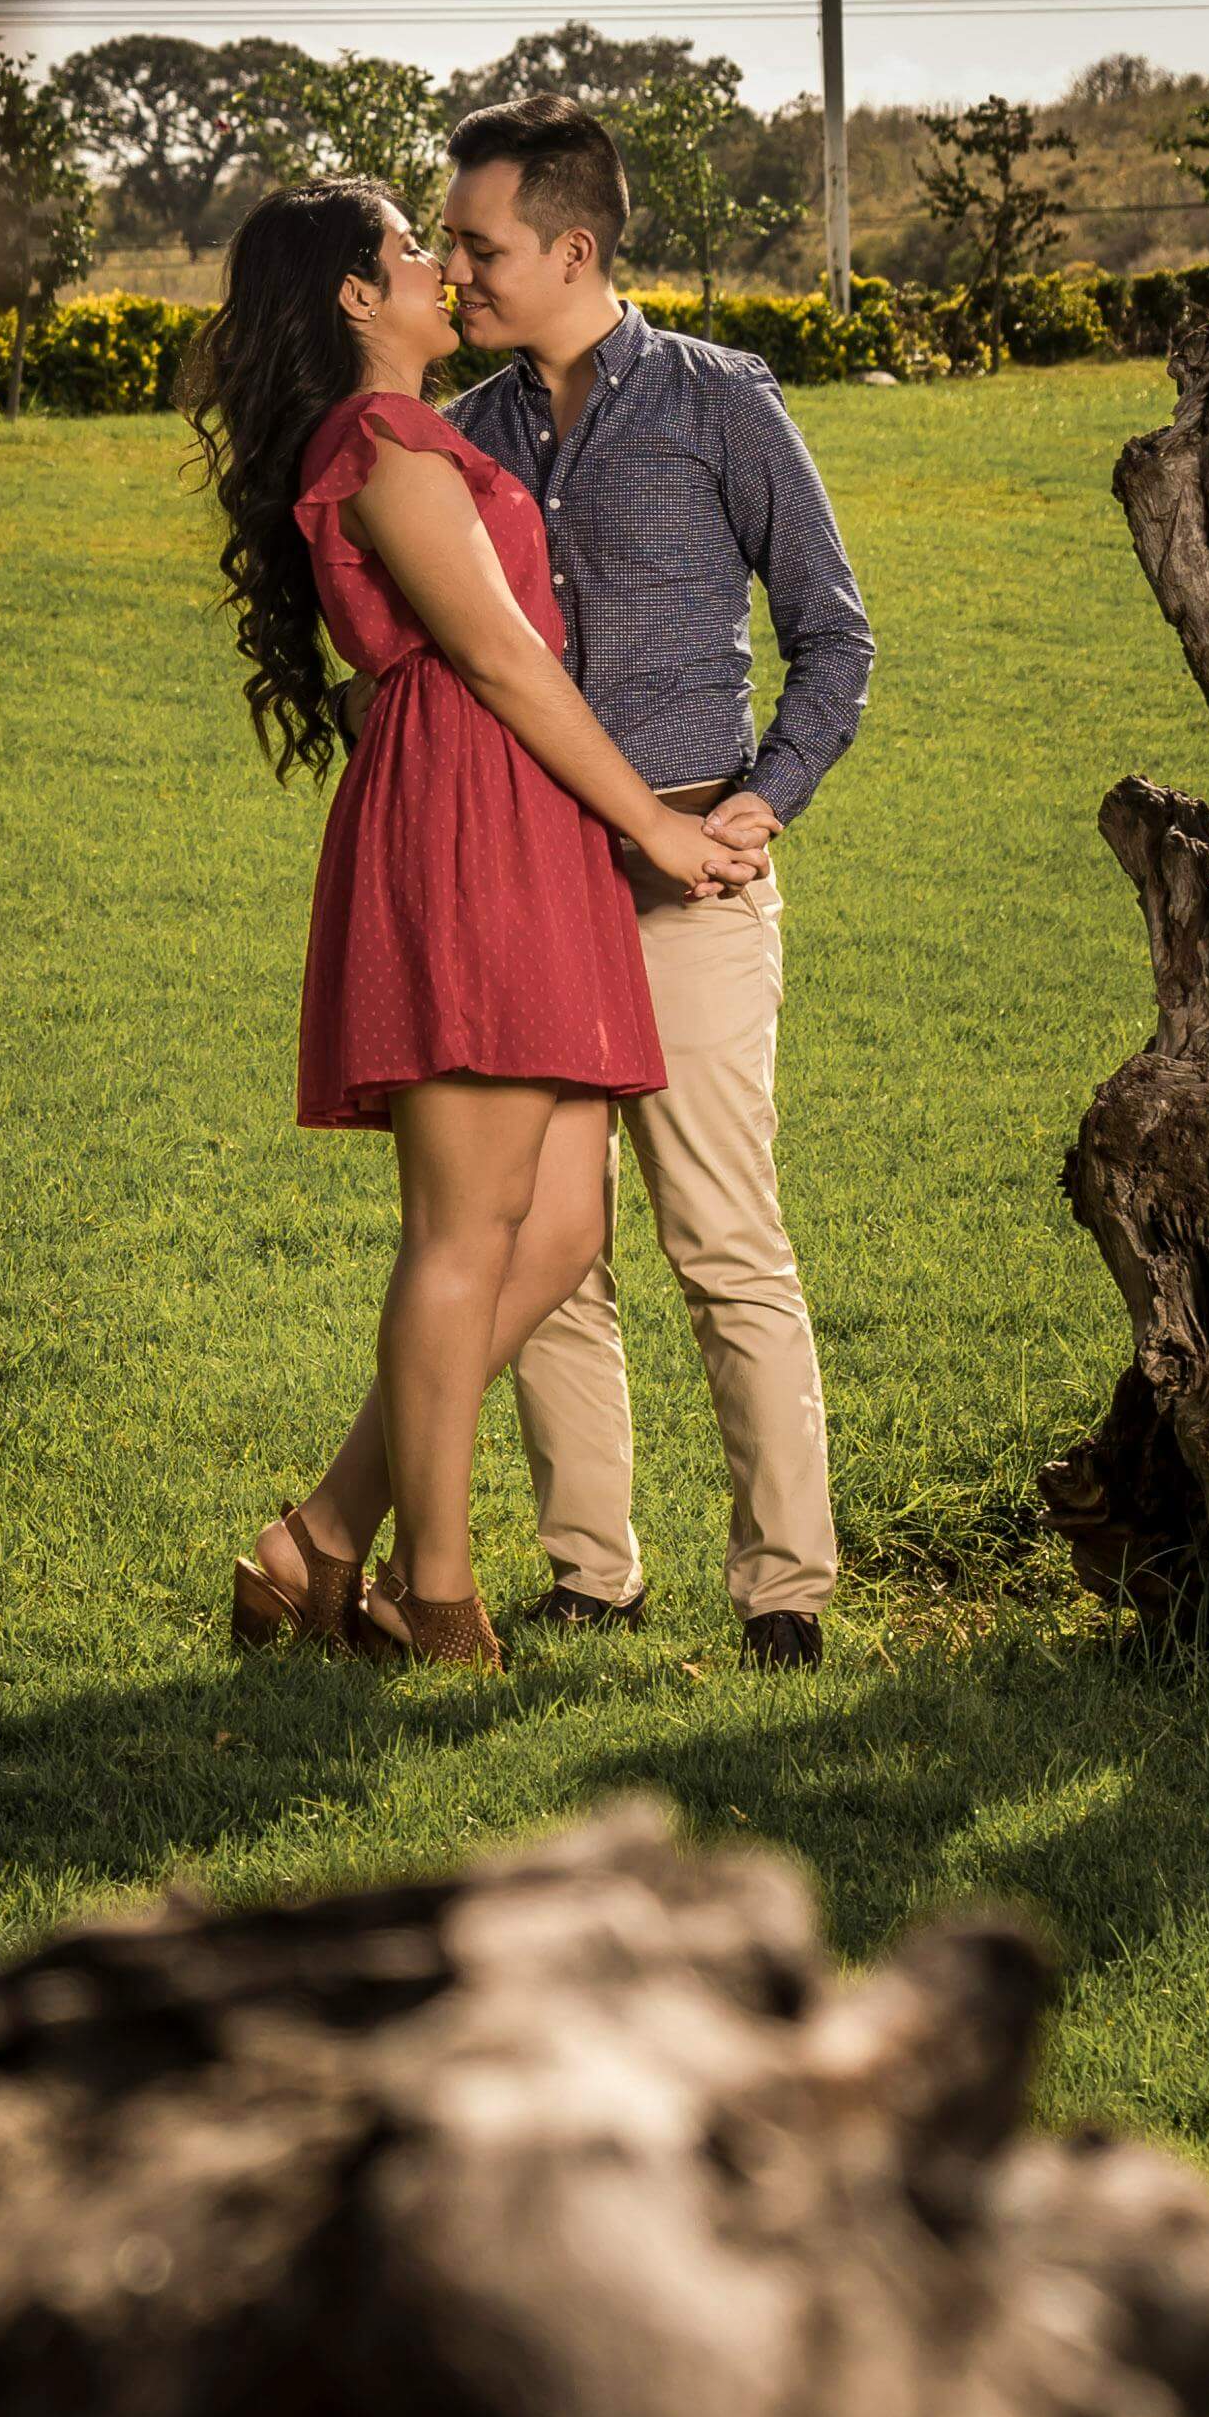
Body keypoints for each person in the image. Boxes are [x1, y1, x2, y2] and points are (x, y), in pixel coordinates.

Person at [181, 183, 754, 1672]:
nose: (441, 267)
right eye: (411, 251)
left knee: (556, 1231)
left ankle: (315, 1536)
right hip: (476, 823)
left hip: (516, 822)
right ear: (357, 299)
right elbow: (495, 654)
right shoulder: (378, 443)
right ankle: (432, 1595)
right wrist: (654, 823)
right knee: (462, 1231)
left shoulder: (412, 438)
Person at [429, 96, 875, 1668]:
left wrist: (766, 802)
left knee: (724, 1242)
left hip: (692, 890)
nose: (454, 269)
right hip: (528, 894)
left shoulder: (720, 405)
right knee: (549, 1248)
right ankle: (590, 1573)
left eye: (477, 245)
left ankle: (786, 1595)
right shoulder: (462, 439)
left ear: (574, 246)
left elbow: (838, 634)